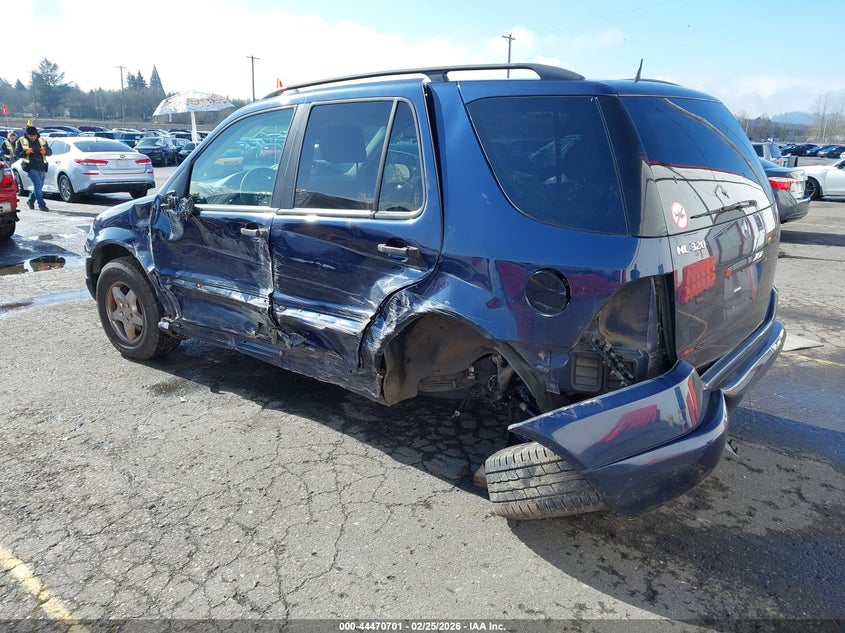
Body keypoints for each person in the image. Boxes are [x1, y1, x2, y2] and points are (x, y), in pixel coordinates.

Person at [16, 126, 52, 211]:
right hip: (30, 167)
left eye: (34, 135)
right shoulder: (21, 141)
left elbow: (50, 152)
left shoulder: (42, 140)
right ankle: (41, 205)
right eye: (30, 136)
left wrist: (45, 152)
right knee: (37, 185)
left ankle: (30, 200)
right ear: (27, 135)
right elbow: (17, 154)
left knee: (39, 186)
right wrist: (26, 152)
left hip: (42, 166)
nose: (32, 137)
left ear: (36, 134)